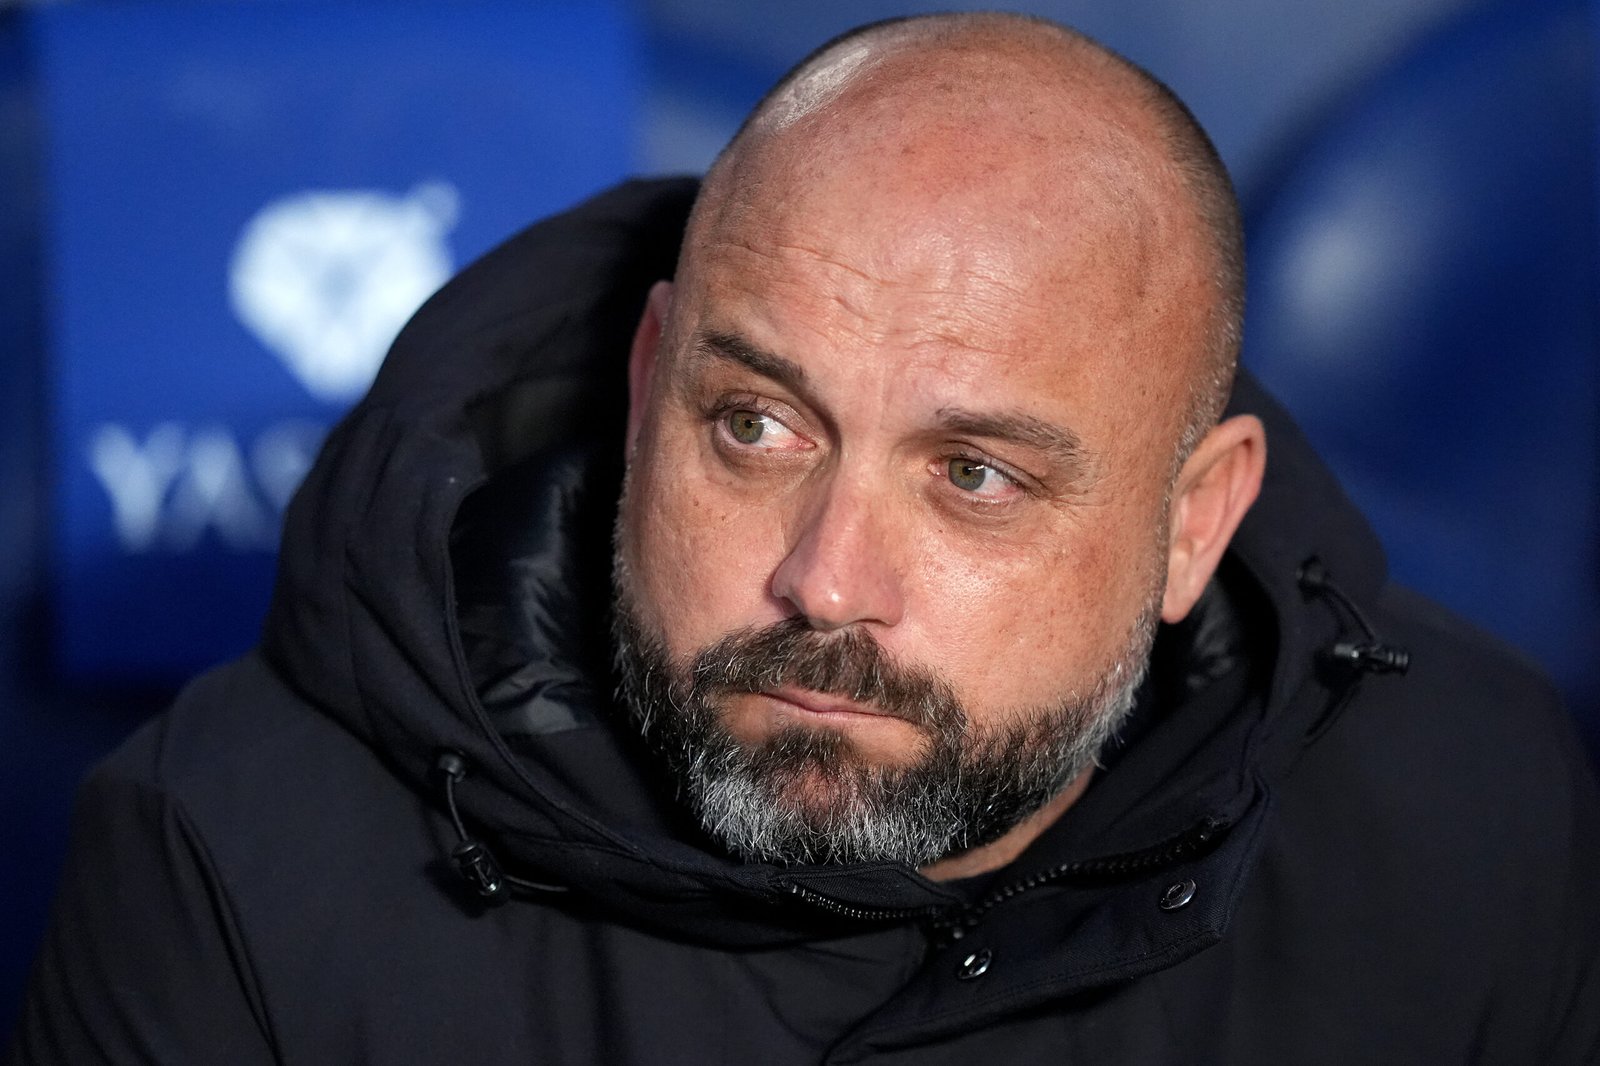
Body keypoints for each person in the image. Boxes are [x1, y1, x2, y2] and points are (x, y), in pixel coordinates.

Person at [11, 12, 1599, 1064]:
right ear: (649, 392)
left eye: (974, 475)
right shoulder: (229, 857)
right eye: (755, 428)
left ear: (1196, 521)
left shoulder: (1468, 817)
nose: (826, 577)